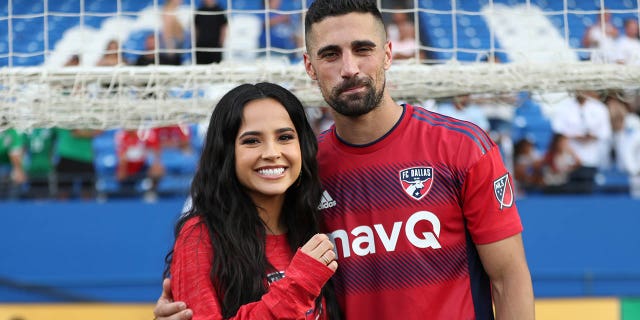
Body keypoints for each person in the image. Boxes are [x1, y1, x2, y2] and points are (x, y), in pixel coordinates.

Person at [155, 1, 535, 319]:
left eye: (363, 49)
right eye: (331, 54)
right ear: (309, 66)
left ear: (387, 53)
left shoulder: (463, 148)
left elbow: (508, 277)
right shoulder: (300, 170)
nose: (349, 68)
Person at [164, 82, 339, 319]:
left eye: (285, 137)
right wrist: (299, 284)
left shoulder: (313, 225)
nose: (271, 152)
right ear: (226, 153)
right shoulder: (200, 235)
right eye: (252, 141)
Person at [194, 0, 228, 64]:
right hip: (201, 46)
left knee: (216, 69)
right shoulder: (199, 10)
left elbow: (224, 28)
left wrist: (221, 44)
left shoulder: (219, 10)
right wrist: (196, 42)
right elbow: (196, 28)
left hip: (215, 46)